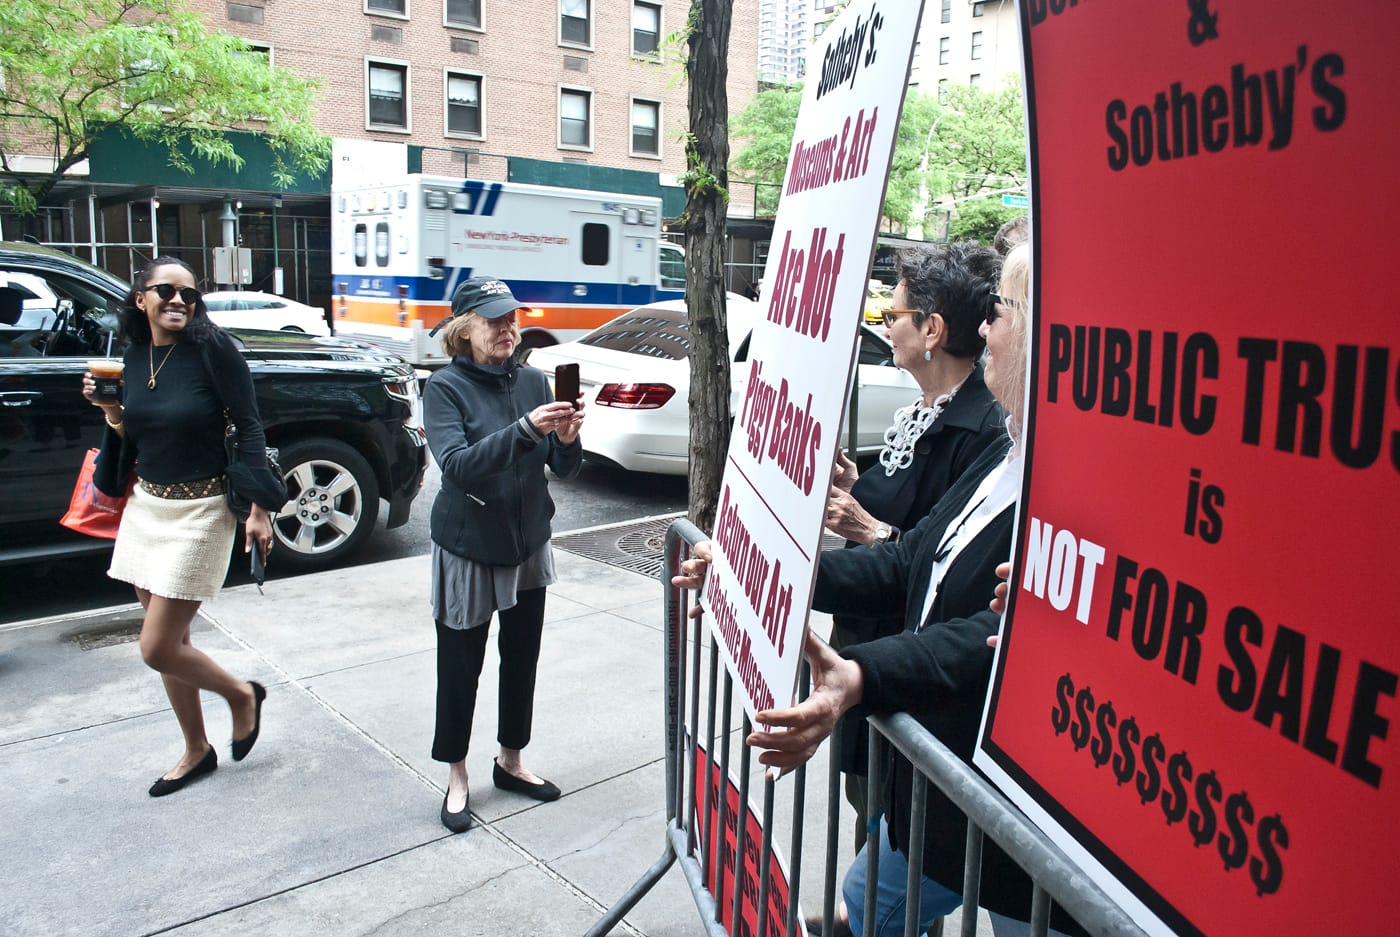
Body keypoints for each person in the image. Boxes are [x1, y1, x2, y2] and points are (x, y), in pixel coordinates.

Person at [678, 245, 1080, 936]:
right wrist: (758, 565)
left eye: (1000, 314)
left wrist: (861, 673)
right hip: (939, 788)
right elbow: (907, 562)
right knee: (860, 907)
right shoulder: (1006, 454)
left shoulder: (1067, 479)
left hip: (1017, 812)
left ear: (1049, 333)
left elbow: (998, 636)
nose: (985, 329)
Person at [823, 241, 1004, 851]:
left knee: (893, 827)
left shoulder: (987, 431)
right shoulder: (918, 412)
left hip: (905, 661)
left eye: (892, 315)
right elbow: (904, 512)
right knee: (868, 810)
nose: (884, 326)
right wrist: (855, 490)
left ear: (932, 328)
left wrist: (867, 529)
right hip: (867, 645)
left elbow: (940, 558)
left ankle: (872, 909)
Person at [83, 256, 281, 797]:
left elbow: (250, 426)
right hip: (148, 507)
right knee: (176, 642)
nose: (179, 301)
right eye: (166, 291)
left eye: (189, 294)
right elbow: (136, 439)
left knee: (156, 647)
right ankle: (197, 750)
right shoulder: (132, 355)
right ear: (140, 298)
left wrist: (259, 508)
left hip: (202, 511)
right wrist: (112, 414)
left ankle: (242, 696)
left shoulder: (214, 350)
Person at [423, 276, 586, 834]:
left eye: (511, 319)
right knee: (460, 666)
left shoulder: (536, 380)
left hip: (528, 543)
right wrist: (524, 430)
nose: (506, 329)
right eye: (494, 321)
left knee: (522, 658)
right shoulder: (444, 388)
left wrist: (564, 439)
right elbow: (458, 465)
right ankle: (456, 774)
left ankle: (511, 761)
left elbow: (563, 469)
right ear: (463, 329)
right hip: (468, 546)